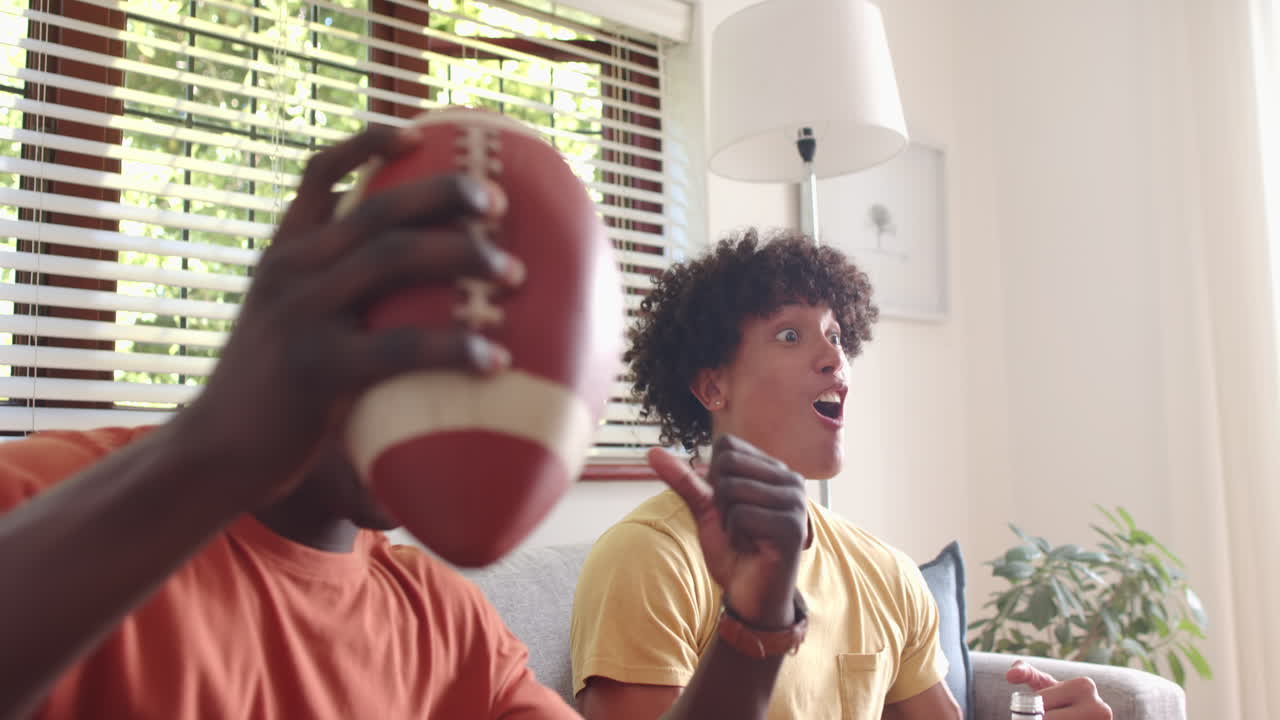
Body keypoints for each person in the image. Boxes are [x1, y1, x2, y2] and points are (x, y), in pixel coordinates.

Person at [0, 127, 808, 719]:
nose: (473, 375)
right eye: (440, 322)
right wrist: (212, 448)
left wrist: (752, 626)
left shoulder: (445, 625)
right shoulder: (44, 502)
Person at [570, 228, 1113, 720]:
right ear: (713, 387)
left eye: (834, 334)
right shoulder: (649, 559)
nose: (834, 356)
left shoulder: (888, 574)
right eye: (790, 335)